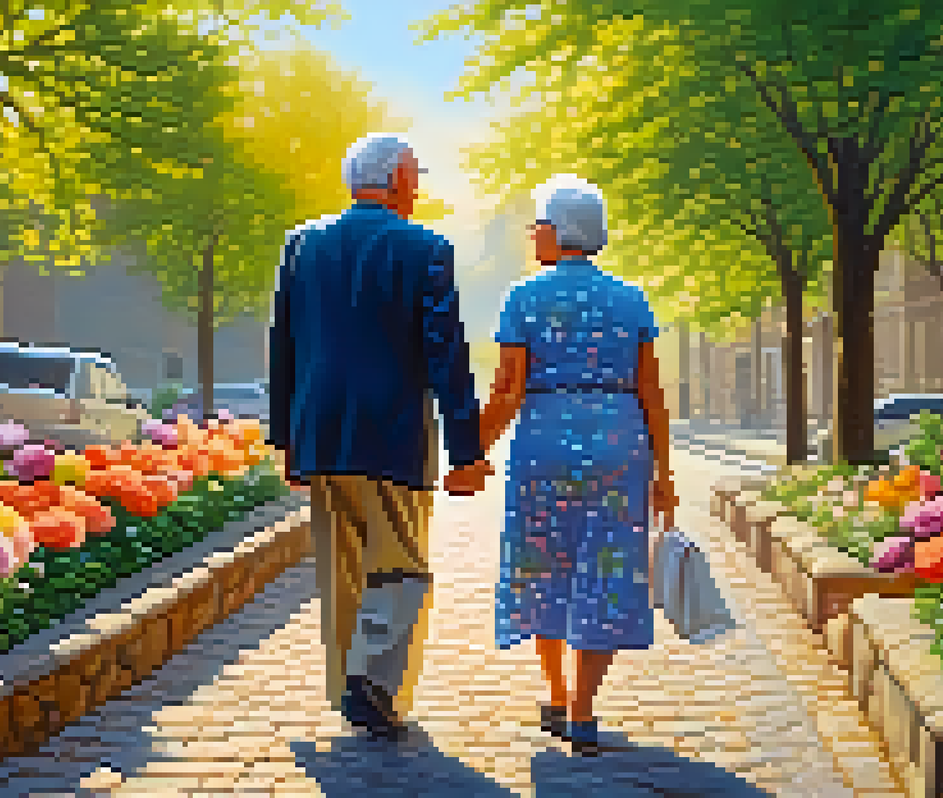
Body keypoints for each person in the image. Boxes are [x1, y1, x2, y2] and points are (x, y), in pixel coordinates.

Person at [268, 134, 496, 741]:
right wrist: (467, 451)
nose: (418, 186)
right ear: (395, 178)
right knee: (399, 565)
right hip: (391, 432)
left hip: (319, 432)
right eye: (415, 174)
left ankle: (351, 681)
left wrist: (285, 438)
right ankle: (372, 684)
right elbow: (445, 353)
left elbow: (283, 343)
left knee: (341, 570)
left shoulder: (301, 243)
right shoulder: (425, 248)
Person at [476, 175, 679, 756]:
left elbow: (508, 386)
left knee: (545, 562)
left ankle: (559, 695)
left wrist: (474, 453)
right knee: (607, 567)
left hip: (544, 442)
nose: (531, 233)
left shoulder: (523, 298)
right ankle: (585, 710)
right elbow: (651, 391)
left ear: (558, 230)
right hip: (620, 444)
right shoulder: (631, 299)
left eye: (537, 223)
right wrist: (664, 474)